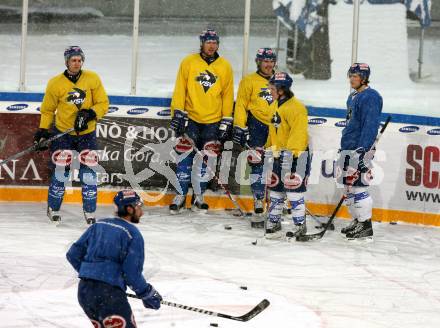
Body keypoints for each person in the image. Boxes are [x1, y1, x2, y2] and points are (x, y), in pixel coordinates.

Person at [33, 46, 109, 224]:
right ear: (67, 62)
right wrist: (43, 131)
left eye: (79, 60)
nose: (77, 63)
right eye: (73, 60)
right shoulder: (55, 83)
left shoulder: (92, 78)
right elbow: (48, 110)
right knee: (61, 173)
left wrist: (90, 113)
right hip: (63, 134)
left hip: (86, 134)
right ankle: (53, 207)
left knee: (88, 174)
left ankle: (90, 211)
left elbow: (103, 103)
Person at [66, 190, 162, 327]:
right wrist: (146, 292)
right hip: (109, 295)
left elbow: (73, 254)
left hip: (84, 292)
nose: (142, 212)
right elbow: (131, 273)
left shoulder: (98, 225)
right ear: (129, 209)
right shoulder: (132, 234)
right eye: (139, 207)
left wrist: (92, 274)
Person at [168, 29, 234, 214]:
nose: (212, 45)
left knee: (207, 160)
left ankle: (199, 195)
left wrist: (226, 120)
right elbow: (180, 90)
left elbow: (228, 96)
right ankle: (180, 195)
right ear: (202, 43)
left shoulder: (225, 66)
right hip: (191, 118)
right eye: (208, 42)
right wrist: (178, 113)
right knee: (184, 157)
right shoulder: (189, 62)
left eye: (215, 42)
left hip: (213, 121)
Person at [338, 63, 383, 239]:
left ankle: (365, 226)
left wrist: (363, 150)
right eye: (350, 75)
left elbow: (370, 126)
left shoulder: (371, 97)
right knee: (348, 187)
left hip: (359, 149)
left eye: (355, 76)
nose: (351, 79)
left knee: (358, 187)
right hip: (348, 147)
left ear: (364, 78)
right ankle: (357, 220)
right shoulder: (353, 96)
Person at [233, 48, 277, 222]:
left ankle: (277, 201)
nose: (268, 64)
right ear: (258, 62)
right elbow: (241, 105)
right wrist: (239, 126)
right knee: (257, 163)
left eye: (271, 61)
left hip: (276, 127)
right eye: (265, 61)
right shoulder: (249, 81)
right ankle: (258, 199)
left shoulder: (281, 80)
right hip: (256, 125)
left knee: (278, 164)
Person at [265, 72, 311, 238]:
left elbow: (298, 134)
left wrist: (290, 154)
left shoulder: (297, 108)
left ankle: (300, 225)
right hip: (279, 155)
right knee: (276, 191)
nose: (270, 91)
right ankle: (274, 221)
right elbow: (273, 131)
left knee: (294, 193)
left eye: (272, 88)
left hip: (296, 156)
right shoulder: (275, 105)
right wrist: (268, 147)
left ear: (281, 90)